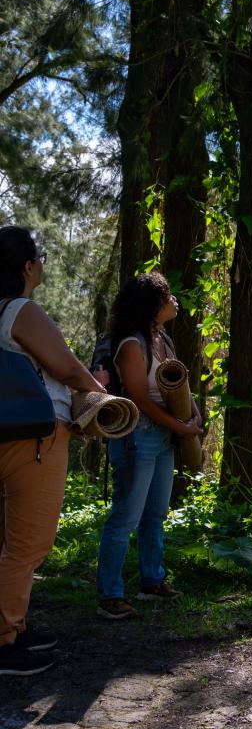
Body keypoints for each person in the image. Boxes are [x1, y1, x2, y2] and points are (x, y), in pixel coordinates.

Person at [0, 226, 106, 675]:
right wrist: (103, 396)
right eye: (38, 256)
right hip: (35, 438)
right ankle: (4, 641)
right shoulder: (21, 309)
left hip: (7, 434)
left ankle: (15, 626)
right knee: (29, 542)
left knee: (7, 539)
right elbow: (66, 366)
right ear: (27, 266)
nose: (42, 263)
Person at [96, 271, 202, 620]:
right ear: (152, 305)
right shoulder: (131, 344)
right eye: (167, 296)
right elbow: (139, 400)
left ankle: (152, 581)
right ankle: (110, 594)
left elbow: (177, 383)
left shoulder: (163, 340)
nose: (174, 301)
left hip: (161, 437)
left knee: (155, 513)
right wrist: (181, 428)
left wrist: (193, 417)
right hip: (136, 437)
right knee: (126, 516)